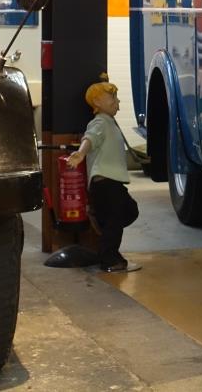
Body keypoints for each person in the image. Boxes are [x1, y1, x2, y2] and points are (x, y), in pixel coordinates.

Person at [66, 75, 140, 272]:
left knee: (129, 211)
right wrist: (81, 153)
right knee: (116, 220)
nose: (117, 102)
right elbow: (89, 138)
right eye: (112, 98)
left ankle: (102, 224)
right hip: (107, 182)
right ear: (97, 102)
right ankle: (110, 260)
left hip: (111, 182)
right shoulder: (100, 122)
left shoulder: (109, 122)